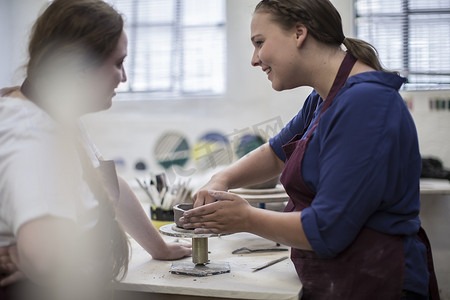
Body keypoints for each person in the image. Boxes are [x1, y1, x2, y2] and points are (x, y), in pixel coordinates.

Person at [180, 0, 439, 299]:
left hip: (376, 283)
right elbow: (276, 152)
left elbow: (327, 229)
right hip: (339, 278)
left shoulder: (366, 103)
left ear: (299, 33)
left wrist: (246, 218)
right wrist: (221, 179)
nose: (255, 59)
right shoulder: (323, 98)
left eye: (260, 42)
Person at [0, 0, 191, 299]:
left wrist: (160, 248)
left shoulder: (56, 113)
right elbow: (45, 259)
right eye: (117, 63)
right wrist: (23, 255)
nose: (123, 77)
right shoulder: (33, 133)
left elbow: (110, 187)